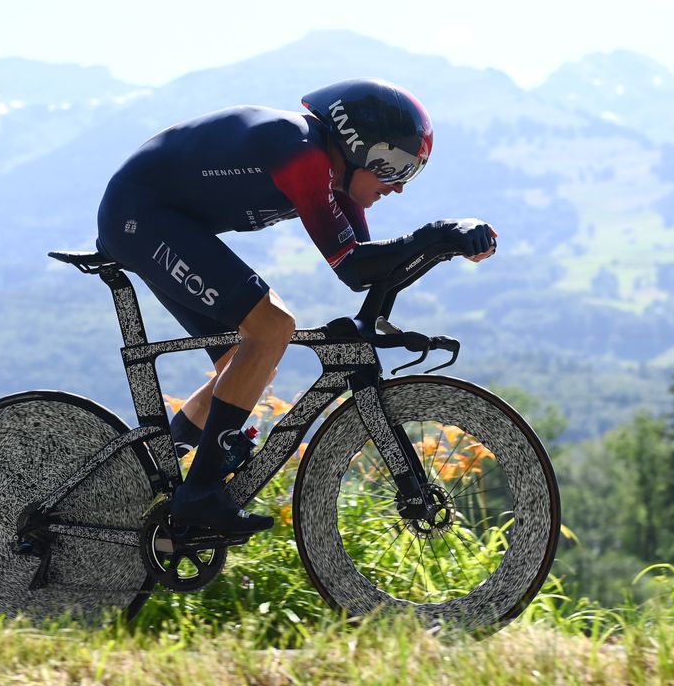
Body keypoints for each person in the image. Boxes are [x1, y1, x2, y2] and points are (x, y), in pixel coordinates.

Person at [95, 78, 497, 534]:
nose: (398, 186)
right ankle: (199, 494)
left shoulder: (334, 172)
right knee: (272, 327)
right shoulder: (303, 154)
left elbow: (365, 270)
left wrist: (446, 243)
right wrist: (437, 233)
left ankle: (154, 478)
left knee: (248, 361)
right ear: (358, 147)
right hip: (138, 216)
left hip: (162, 220)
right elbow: (354, 265)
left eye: (410, 172)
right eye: (395, 167)